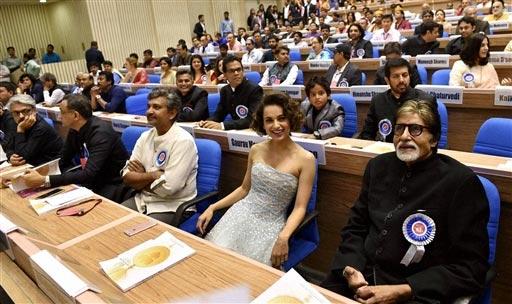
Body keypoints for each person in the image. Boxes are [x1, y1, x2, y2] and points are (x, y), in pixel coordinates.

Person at [322, 99, 489, 303]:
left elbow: (471, 267)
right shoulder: (377, 166)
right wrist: (351, 269)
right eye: (399, 128)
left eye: (416, 129)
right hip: (359, 276)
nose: (404, 136)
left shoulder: (461, 183)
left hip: (415, 290)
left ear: (434, 139)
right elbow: (356, 227)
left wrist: (404, 289)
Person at [197, 93, 316, 267]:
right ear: (263, 124)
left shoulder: (306, 159)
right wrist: (213, 207)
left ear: (291, 119)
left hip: (271, 223)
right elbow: (244, 189)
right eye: (269, 120)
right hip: (240, 214)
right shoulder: (256, 150)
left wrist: (284, 237)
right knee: (213, 263)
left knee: (249, 273)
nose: (276, 125)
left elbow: (300, 208)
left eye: (282, 118)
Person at [20, 94, 132, 202]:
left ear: (75, 115)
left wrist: (45, 180)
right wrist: (33, 174)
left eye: (62, 112)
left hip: (113, 183)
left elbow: (89, 173)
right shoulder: (75, 129)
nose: (59, 116)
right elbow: (63, 159)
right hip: (93, 179)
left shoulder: (101, 133)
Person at [122, 89, 197, 224]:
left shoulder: (183, 141)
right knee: (113, 218)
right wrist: (152, 175)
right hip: (143, 200)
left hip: (173, 206)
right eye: (148, 106)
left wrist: (140, 181)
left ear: (172, 113)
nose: (149, 111)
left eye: (156, 107)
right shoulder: (145, 136)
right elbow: (127, 176)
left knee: (138, 231)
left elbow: (169, 189)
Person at [359, 58, 435, 142]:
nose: (401, 80)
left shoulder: (425, 100)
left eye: (405, 75)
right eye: (396, 76)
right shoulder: (378, 100)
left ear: (410, 76)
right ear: (387, 80)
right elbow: (367, 134)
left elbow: (433, 136)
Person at [199, 56, 263, 130]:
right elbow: (219, 115)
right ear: (225, 75)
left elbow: (251, 119)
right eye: (232, 71)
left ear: (243, 71)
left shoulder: (255, 90)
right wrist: (207, 122)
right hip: (236, 131)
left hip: (252, 131)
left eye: (238, 70)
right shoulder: (225, 91)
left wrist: (223, 125)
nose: (236, 73)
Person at [6, 94, 63, 167]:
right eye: (16, 113)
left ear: (34, 110)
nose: (21, 116)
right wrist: (10, 156)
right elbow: (8, 146)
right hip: (32, 165)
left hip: (51, 167)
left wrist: (20, 130)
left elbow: (23, 157)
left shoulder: (41, 127)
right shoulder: (15, 122)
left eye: (25, 111)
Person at [0, 82, 19, 158]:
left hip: (16, 151)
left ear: (10, 93)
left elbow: (9, 143)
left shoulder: (12, 113)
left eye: (0, 91)